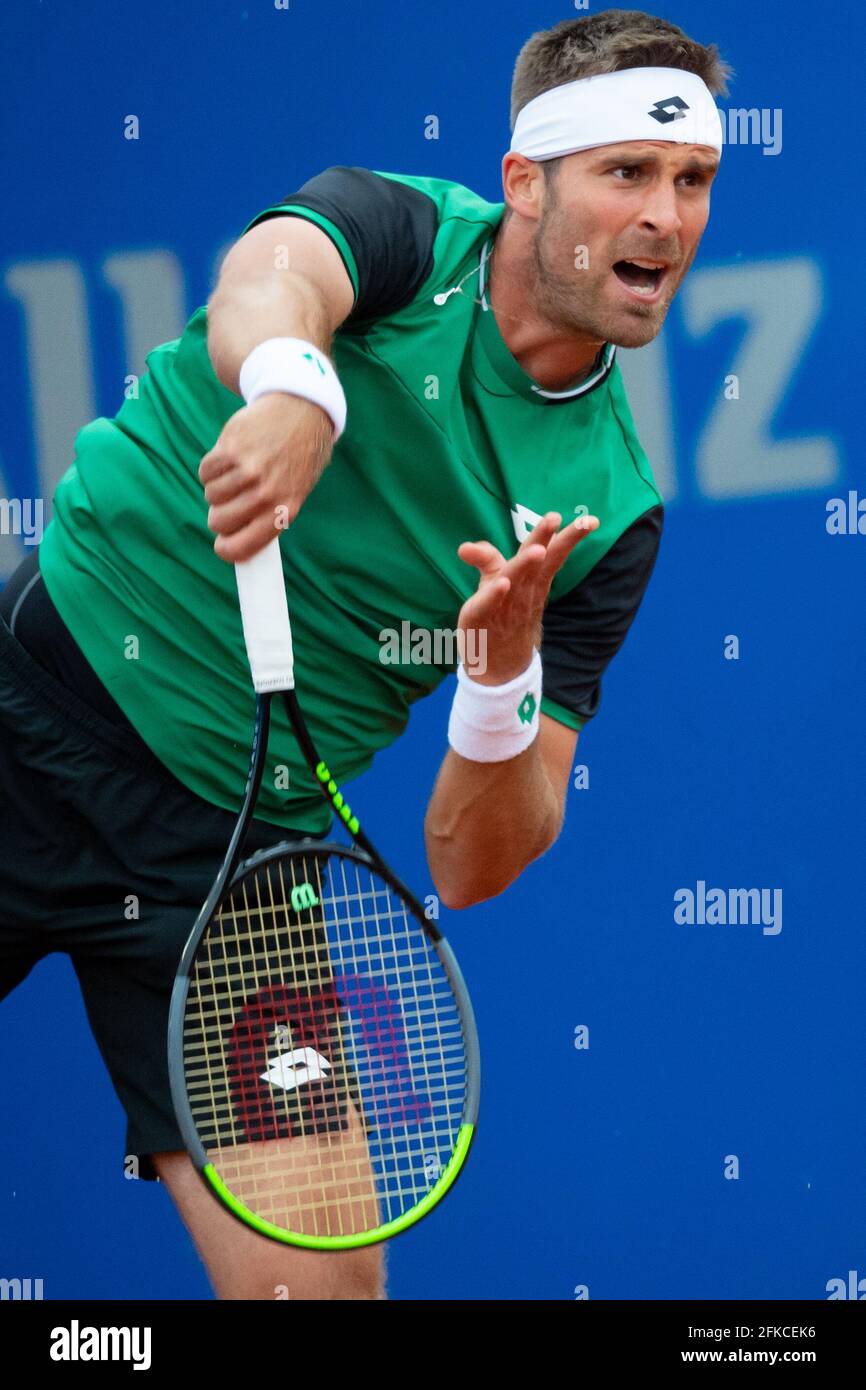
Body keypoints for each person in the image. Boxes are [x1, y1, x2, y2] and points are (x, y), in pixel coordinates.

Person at [0, 9, 732, 1299]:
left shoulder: (610, 515)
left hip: (233, 861)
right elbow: (271, 280)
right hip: (31, 707)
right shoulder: (399, 234)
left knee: (321, 1299)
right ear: (526, 181)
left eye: (691, 181)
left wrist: (498, 686)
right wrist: (297, 387)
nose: (665, 219)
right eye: (625, 174)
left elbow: (473, 857)